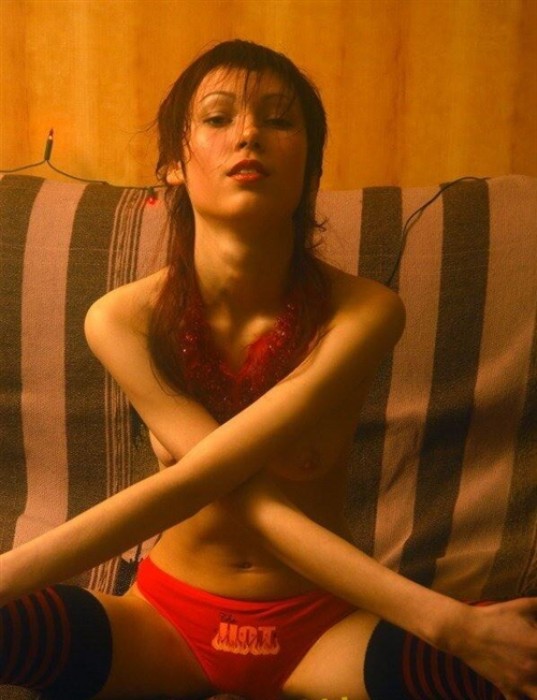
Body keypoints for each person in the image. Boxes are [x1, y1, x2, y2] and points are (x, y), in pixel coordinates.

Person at [1, 39, 536, 700]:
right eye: (218, 117)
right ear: (173, 163)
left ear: (309, 165)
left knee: (511, 650)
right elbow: (205, 486)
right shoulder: (120, 320)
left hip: (323, 628)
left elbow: (210, 480)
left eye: (279, 120)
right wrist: (443, 621)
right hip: (163, 624)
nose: (249, 133)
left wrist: (461, 631)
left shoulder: (364, 312)